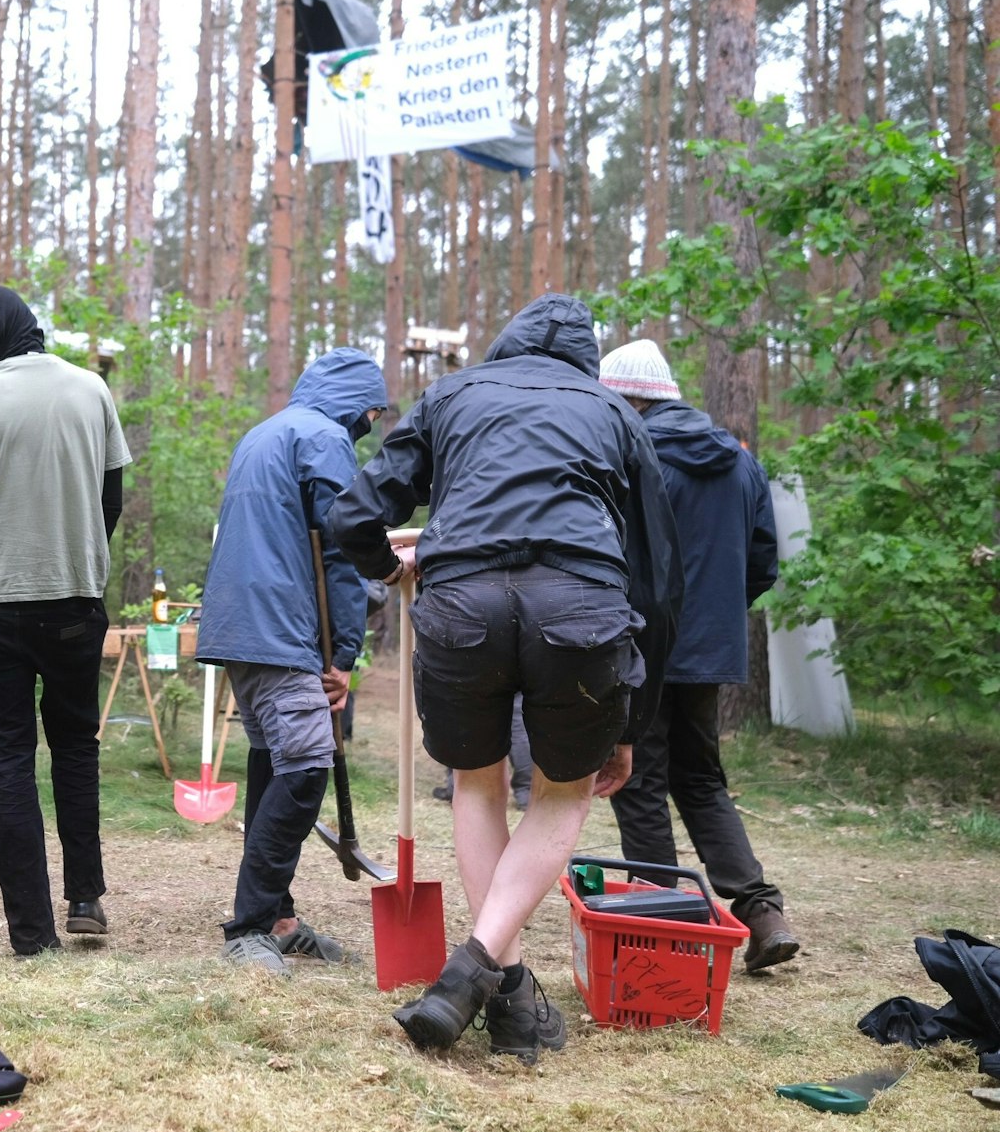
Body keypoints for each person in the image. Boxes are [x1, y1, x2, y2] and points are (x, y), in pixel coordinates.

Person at [329, 293, 681, 1062]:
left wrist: (389, 567)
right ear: (586, 360)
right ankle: (481, 972)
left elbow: (354, 514)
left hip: (460, 601)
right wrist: (632, 719)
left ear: (506, 344)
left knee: (477, 781)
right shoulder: (614, 412)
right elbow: (658, 582)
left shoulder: (450, 394)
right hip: (581, 604)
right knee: (563, 791)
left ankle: (499, 988)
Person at [0, 285, 132, 956]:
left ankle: (31, 935)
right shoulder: (92, 389)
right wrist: (78, 560)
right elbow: (111, 499)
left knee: (10, 763)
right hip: (77, 601)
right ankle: (86, 899)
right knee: (76, 746)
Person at [598, 339, 796, 972]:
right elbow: (764, 561)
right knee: (701, 779)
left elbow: (613, 556)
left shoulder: (634, 457)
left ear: (628, 400)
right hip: (710, 650)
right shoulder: (740, 463)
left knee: (640, 784)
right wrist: (711, 619)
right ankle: (762, 912)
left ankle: (665, 933)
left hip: (641, 646)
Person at [197, 348, 387, 976]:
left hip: (237, 622)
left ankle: (277, 917)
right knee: (307, 767)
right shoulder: (325, 438)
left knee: (272, 760)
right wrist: (345, 655)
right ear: (357, 405)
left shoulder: (264, 433)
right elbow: (341, 546)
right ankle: (249, 925)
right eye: (372, 414)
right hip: (281, 628)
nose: (370, 426)